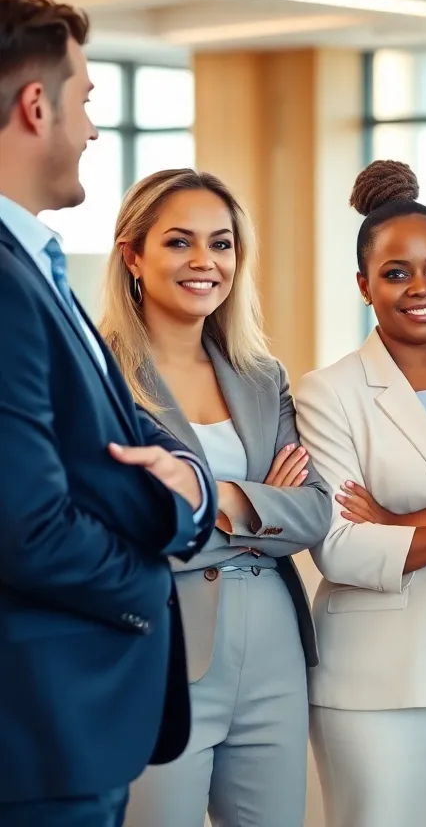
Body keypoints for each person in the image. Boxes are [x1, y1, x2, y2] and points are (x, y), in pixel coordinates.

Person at [0, 0, 216, 825]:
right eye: (85, 99)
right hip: (39, 729)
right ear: (35, 107)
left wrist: (187, 489)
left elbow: (132, 443)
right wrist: (154, 576)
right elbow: (30, 527)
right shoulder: (9, 285)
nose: (92, 129)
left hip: (67, 729)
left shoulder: (37, 269)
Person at [98, 168, 330, 827]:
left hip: (275, 649)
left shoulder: (261, 377)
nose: (205, 261)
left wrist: (212, 495)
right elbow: (121, 520)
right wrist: (258, 504)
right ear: (133, 255)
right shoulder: (100, 376)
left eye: (222, 244)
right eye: (179, 242)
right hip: (156, 645)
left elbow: (313, 511)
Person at [294, 159, 426, 826]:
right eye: (396, 272)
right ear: (364, 285)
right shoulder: (328, 392)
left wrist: (412, 523)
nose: (422, 287)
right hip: (375, 688)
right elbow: (345, 549)